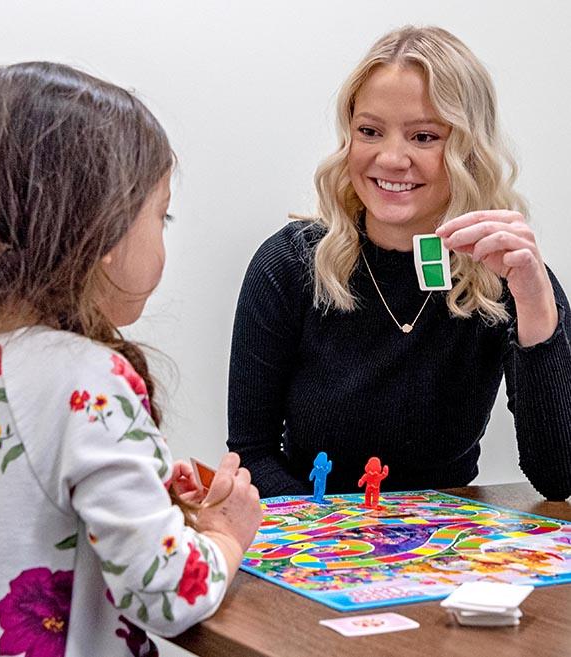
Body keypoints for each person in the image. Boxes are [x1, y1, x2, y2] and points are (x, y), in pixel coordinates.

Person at [0, 62, 261, 657]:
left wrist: (155, 503)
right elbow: (165, 593)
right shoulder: (90, 378)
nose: (163, 236)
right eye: (161, 215)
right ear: (106, 234)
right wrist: (226, 537)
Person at [228, 25, 571, 502]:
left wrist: (535, 302)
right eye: (369, 131)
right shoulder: (288, 263)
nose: (391, 158)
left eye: (424, 136)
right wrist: (343, 540)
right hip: (316, 545)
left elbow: (559, 478)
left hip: (445, 551)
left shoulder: (510, 276)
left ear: (468, 151)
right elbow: (251, 454)